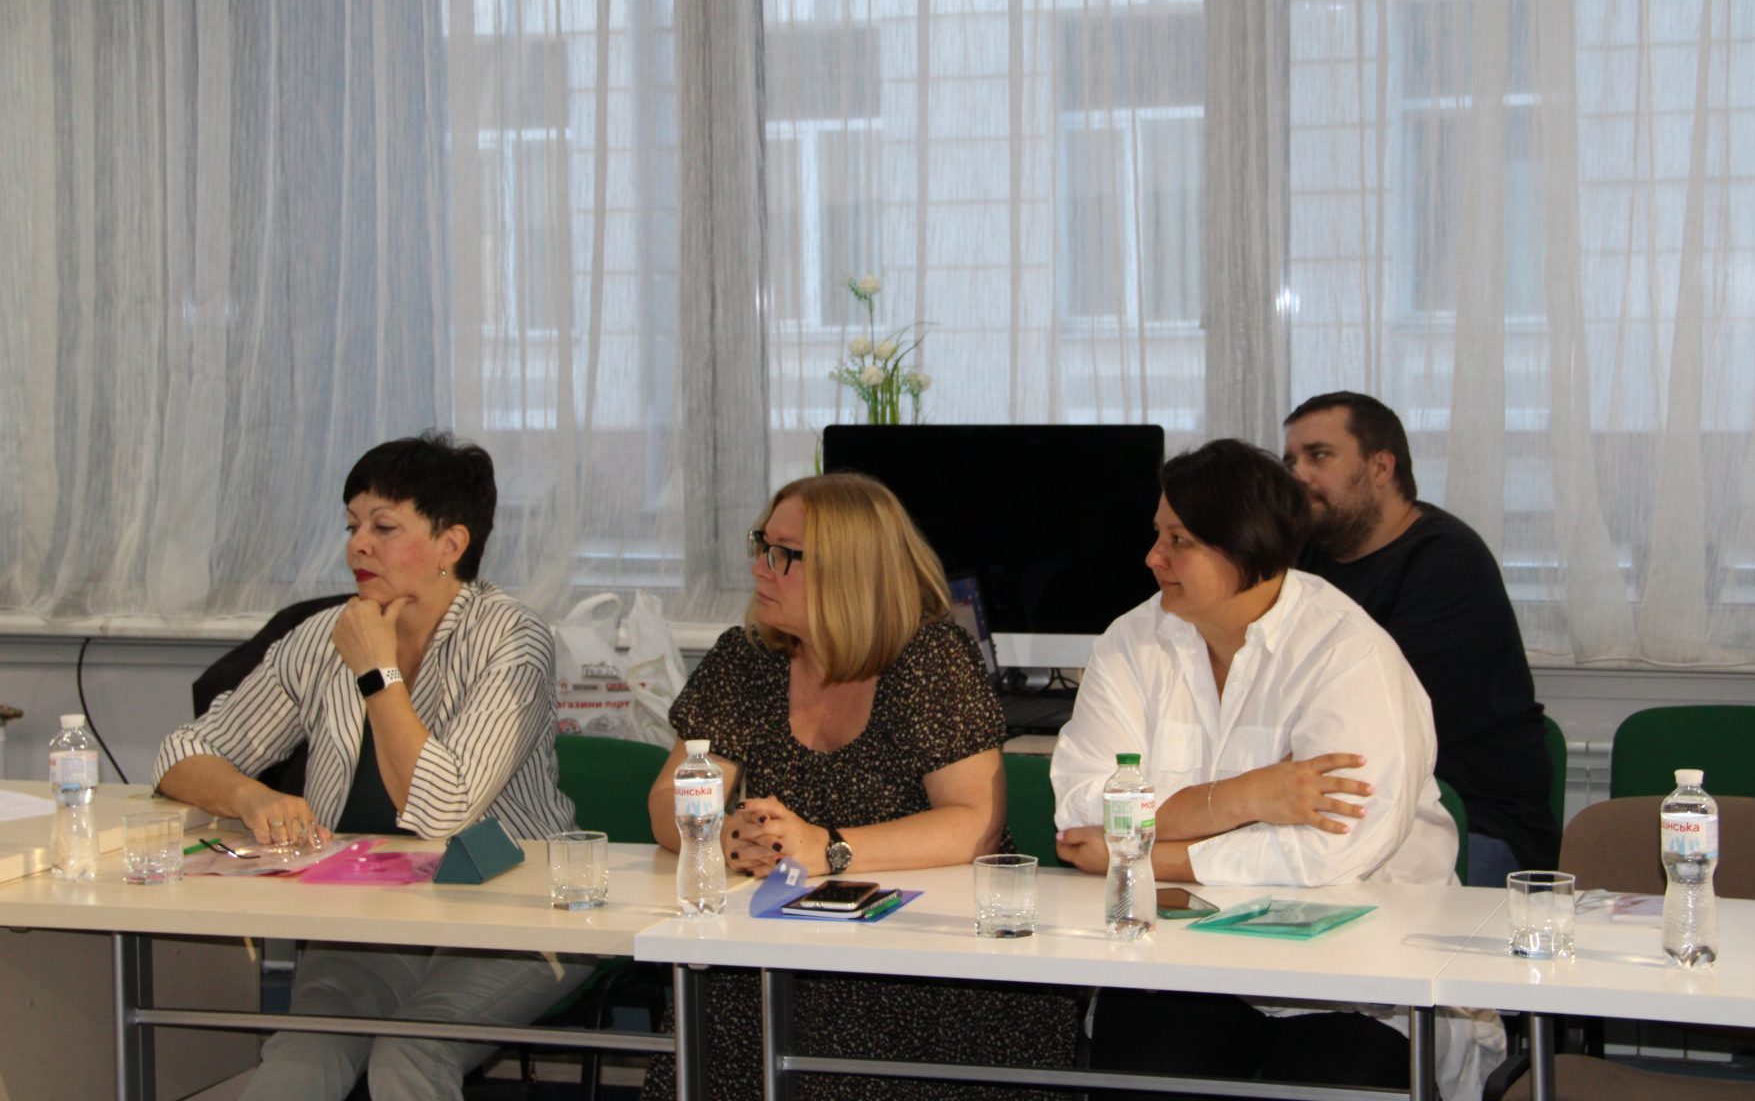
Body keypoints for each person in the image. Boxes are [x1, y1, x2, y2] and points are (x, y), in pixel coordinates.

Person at [1050, 438, 1502, 1101]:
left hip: (1355, 973)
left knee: (1334, 1082)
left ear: (1247, 546)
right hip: (1184, 961)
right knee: (1144, 1074)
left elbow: (1333, 853)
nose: (1153, 557)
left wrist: (1152, 858)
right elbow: (1083, 810)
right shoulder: (1131, 641)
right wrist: (1246, 797)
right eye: (1158, 534)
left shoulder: (1348, 653)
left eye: (1179, 541)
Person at [154, 432, 593, 1101]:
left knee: (409, 1053)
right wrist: (251, 798)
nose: (357, 546)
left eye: (383, 527)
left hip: (515, 914)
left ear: (451, 544)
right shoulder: (322, 636)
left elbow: (442, 810)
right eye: (352, 526)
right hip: (370, 915)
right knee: (300, 1058)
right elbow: (180, 753)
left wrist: (378, 672)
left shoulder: (513, 640)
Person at [642, 472, 1078, 1101]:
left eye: (784, 554)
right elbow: (668, 799)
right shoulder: (746, 659)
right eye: (761, 545)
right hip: (775, 950)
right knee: (710, 1022)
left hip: (923, 966)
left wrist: (828, 848)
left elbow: (973, 823)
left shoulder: (930, 658)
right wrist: (722, 835)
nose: (761, 567)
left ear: (850, 571)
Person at [1283, 391, 1559, 882]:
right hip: (1350, 806)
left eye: (1318, 456)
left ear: (1381, 467)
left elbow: (1367, 712)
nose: (1298, 475)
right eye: (1290, 461)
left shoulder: (1448, 562)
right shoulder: (1302, 560)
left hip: (1469, 818)